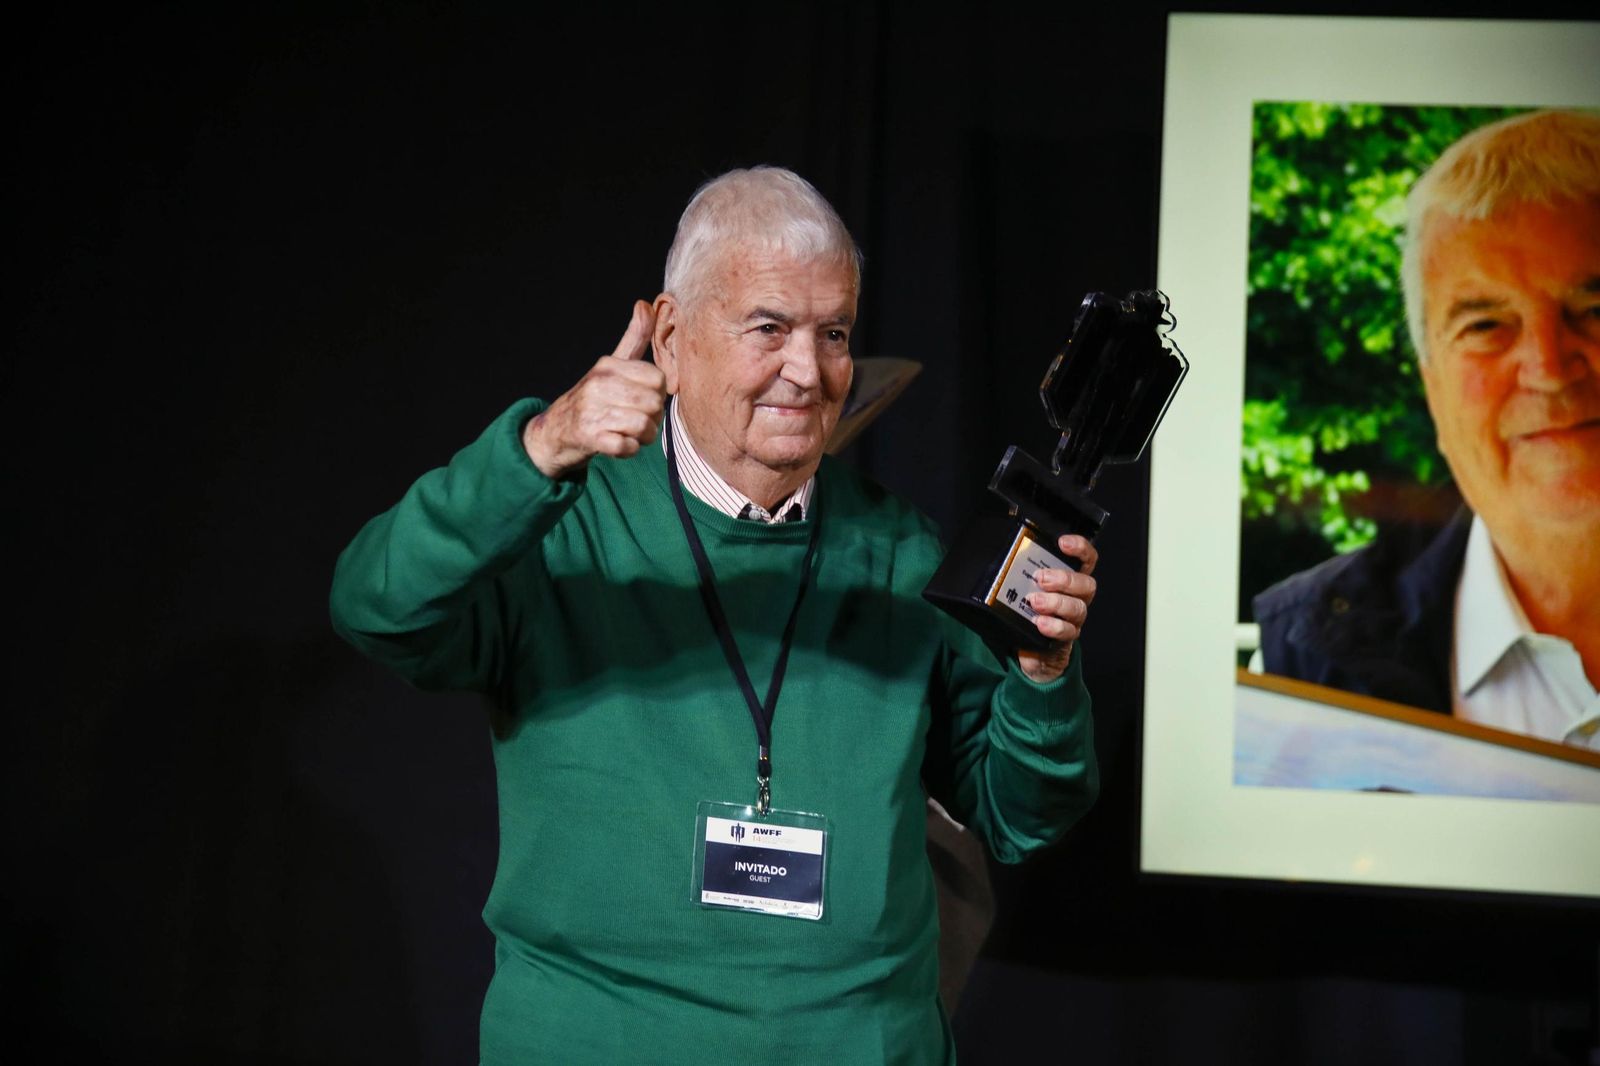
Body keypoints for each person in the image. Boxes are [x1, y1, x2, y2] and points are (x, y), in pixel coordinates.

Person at [330, 166, 1100, 1063]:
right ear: (669, 334)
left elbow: (1019, 814)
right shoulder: (561, 527)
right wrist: (537, 450)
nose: (807, 373)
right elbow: (376, 607)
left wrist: (1043, 677)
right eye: (769, 328)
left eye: (835, 333)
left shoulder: (902, 553)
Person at [1253, 109, 1600, 750]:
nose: (1549, 370)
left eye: (1594, 309)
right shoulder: (1297, 668)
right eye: (1486, 325)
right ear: (1431, 388)